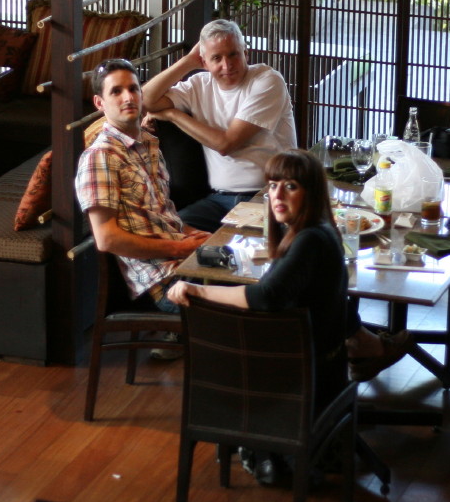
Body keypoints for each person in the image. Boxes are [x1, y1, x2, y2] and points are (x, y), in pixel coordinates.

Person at [167, 150, 411, 484]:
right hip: (319, 361)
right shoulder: (315, 230)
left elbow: (265, 297)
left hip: (303, 370)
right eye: (273, 185)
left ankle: (253, 441)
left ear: (311, 192)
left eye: (290, 186)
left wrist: (197, 291)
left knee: (216, 336)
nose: (277, 195)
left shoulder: (310, 239)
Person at [75, 58, 211, 324]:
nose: (128, 97)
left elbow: (161, 215)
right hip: (164, 283)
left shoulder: (148, 143)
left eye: (133, 89)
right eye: (116, 91)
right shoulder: (100, 156)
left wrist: (194, 235)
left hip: (182, 262)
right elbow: (106, 239)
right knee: (259, 296)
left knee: (265, 270)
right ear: (99, 103)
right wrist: (180, 248)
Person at [142, 19, 298, 232]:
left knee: (243, 243)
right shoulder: (198, 85)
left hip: (269, 195)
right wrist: (187, 62)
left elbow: (226, 144)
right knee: (173, 230)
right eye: (216, 58)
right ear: (204, 62)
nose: (227, 65)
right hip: (219, 200)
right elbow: (145, 100)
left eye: (233, 54)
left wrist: (172, 114)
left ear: (246, 53)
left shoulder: (267, 80)